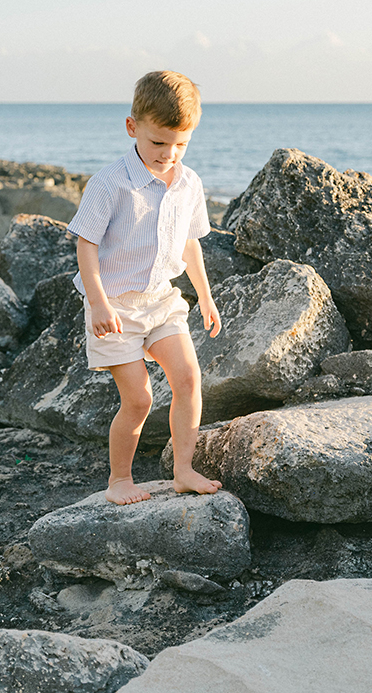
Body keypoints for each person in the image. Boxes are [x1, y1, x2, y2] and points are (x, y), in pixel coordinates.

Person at [67, 70, 224, 505]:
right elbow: (86, 245)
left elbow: (189, 243)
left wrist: (206, 296)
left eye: (181, 144)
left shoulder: (189, 183)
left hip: (162, 302)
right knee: (138, 399)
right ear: (132, 127)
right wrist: (97, 303)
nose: (169, 154)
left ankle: (184, 470)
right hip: (115, 306)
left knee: (189, 378)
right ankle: (120, 480)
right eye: (158, 143)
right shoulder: (109, 183)